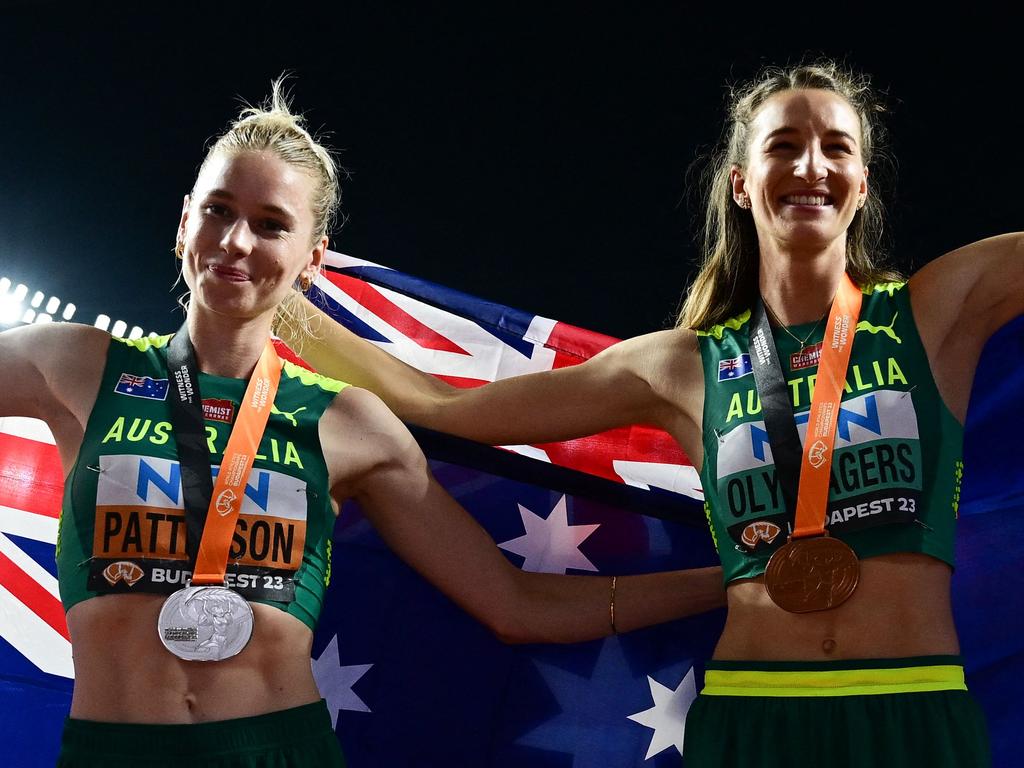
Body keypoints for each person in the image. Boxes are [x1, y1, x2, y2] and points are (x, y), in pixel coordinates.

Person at [287, 60, 1019, 766]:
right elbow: (441, 405)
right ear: (741, 183)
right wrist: (270, 298)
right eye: (783, 146)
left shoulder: (936, 312)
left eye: (837, 147)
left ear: (862, 181)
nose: (811, 167)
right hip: (751, 713)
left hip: (912, 703)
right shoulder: (679, 366)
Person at [0, 81, 726, 768]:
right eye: (220, 210)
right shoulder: (74, 365)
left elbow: (516, 605)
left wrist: (734, 577)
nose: (237, 242)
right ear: (185, 219)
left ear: (310, 261)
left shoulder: (348, 423)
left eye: (271, 224)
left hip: (284, 747)